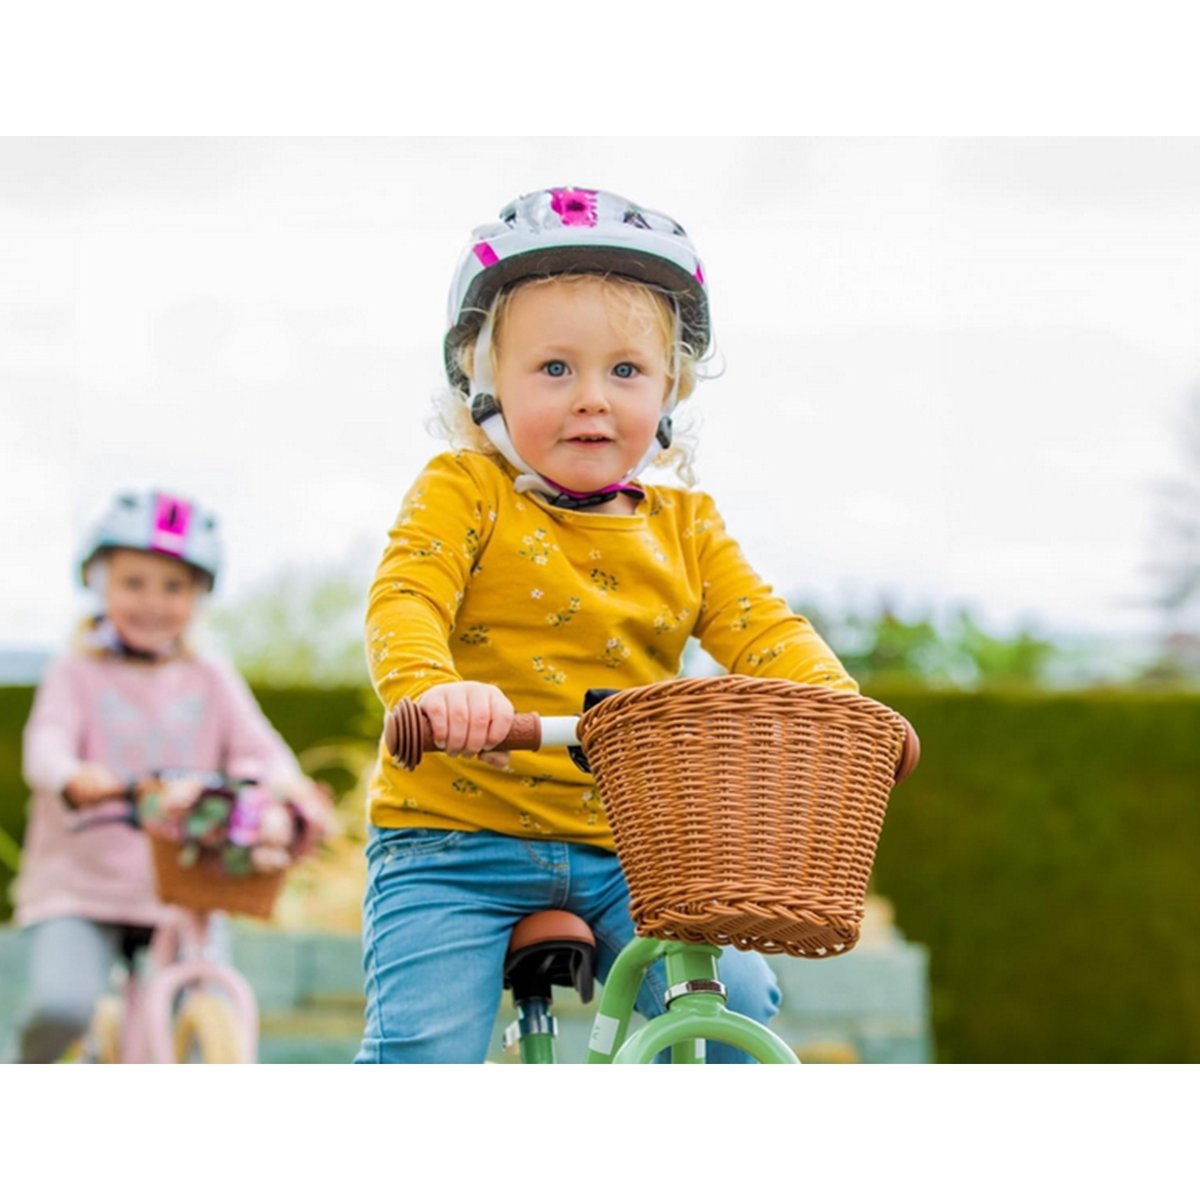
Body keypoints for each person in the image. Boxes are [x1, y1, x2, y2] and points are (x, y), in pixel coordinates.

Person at [357, 185, 909, 1064]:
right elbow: (407, 596)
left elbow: (762, 628)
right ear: (484, 380)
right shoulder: (464, 490)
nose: (592, 399)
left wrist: (839, 710)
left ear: (669, 388)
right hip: (451, 845)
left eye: (625, 371)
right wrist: (431, 690)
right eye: (553, 369)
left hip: (636, 851)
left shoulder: (685, 525)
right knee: (420, 1057)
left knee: (736, 1016)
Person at [10, 489, 332, 1063]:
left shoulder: (209, 674)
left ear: (199, 596)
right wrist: (72, 775)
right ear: (100, 584)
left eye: (174, 587)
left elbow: (261, 750)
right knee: (62, 1007)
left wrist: (288, 790)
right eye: (133, 583)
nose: (153, 602)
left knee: (214, 1010)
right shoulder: (76, 669)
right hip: (82, 887)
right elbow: (45, 746)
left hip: (184, 882)